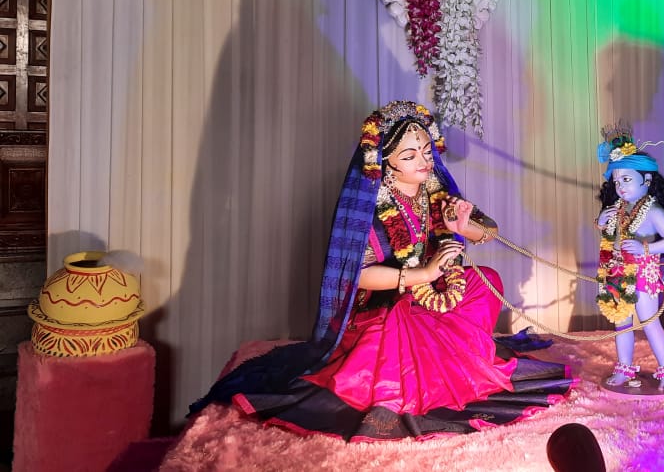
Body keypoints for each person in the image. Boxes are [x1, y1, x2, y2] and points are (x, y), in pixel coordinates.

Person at [190, 101, 574, 441]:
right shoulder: (372, 207)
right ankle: (443, 367)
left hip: (435, 293)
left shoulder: (434, 191)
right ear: (385, 161)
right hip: (388, 303)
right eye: (409, 155)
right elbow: (357, 275)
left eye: (426, 151)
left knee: (486, 280)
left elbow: (489, 231)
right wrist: (422, 275)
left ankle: (467, 353)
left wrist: (462, 227)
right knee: (398, 341)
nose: (424, 161)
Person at [594, 122, 664, 392]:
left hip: (643, 273)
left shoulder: (654, 211)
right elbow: (610, 235)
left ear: (646, 180)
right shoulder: (619, 208)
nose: (620, 186)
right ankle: (624, 367)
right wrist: (601, 221)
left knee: (648, 322)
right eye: (616, 181)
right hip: (617, 271)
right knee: (621, 322)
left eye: (626, 180)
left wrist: (645, 249)